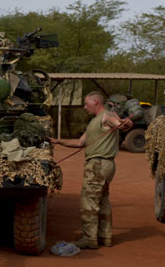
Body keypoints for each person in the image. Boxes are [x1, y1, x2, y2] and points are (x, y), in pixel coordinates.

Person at [47, 92, 132, 249]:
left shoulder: (106, 116)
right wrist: (58, 141)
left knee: (89, 201)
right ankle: (104, 237)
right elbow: (80, 142)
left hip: (98, 165)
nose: (85, 107)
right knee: (103, 200)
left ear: (96, 102)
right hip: (105, 165)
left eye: (87, 104)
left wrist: (126, 124)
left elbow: (120, 124)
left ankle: (89, 238)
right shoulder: (95, 122)